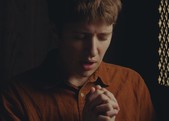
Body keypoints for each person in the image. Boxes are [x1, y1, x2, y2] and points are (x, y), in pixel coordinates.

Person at [0, 0, 156, 121]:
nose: (93, 51)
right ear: (56, 33)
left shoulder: (133, 84)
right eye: (80, 37)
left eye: (103, 37)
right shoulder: (16, 97)